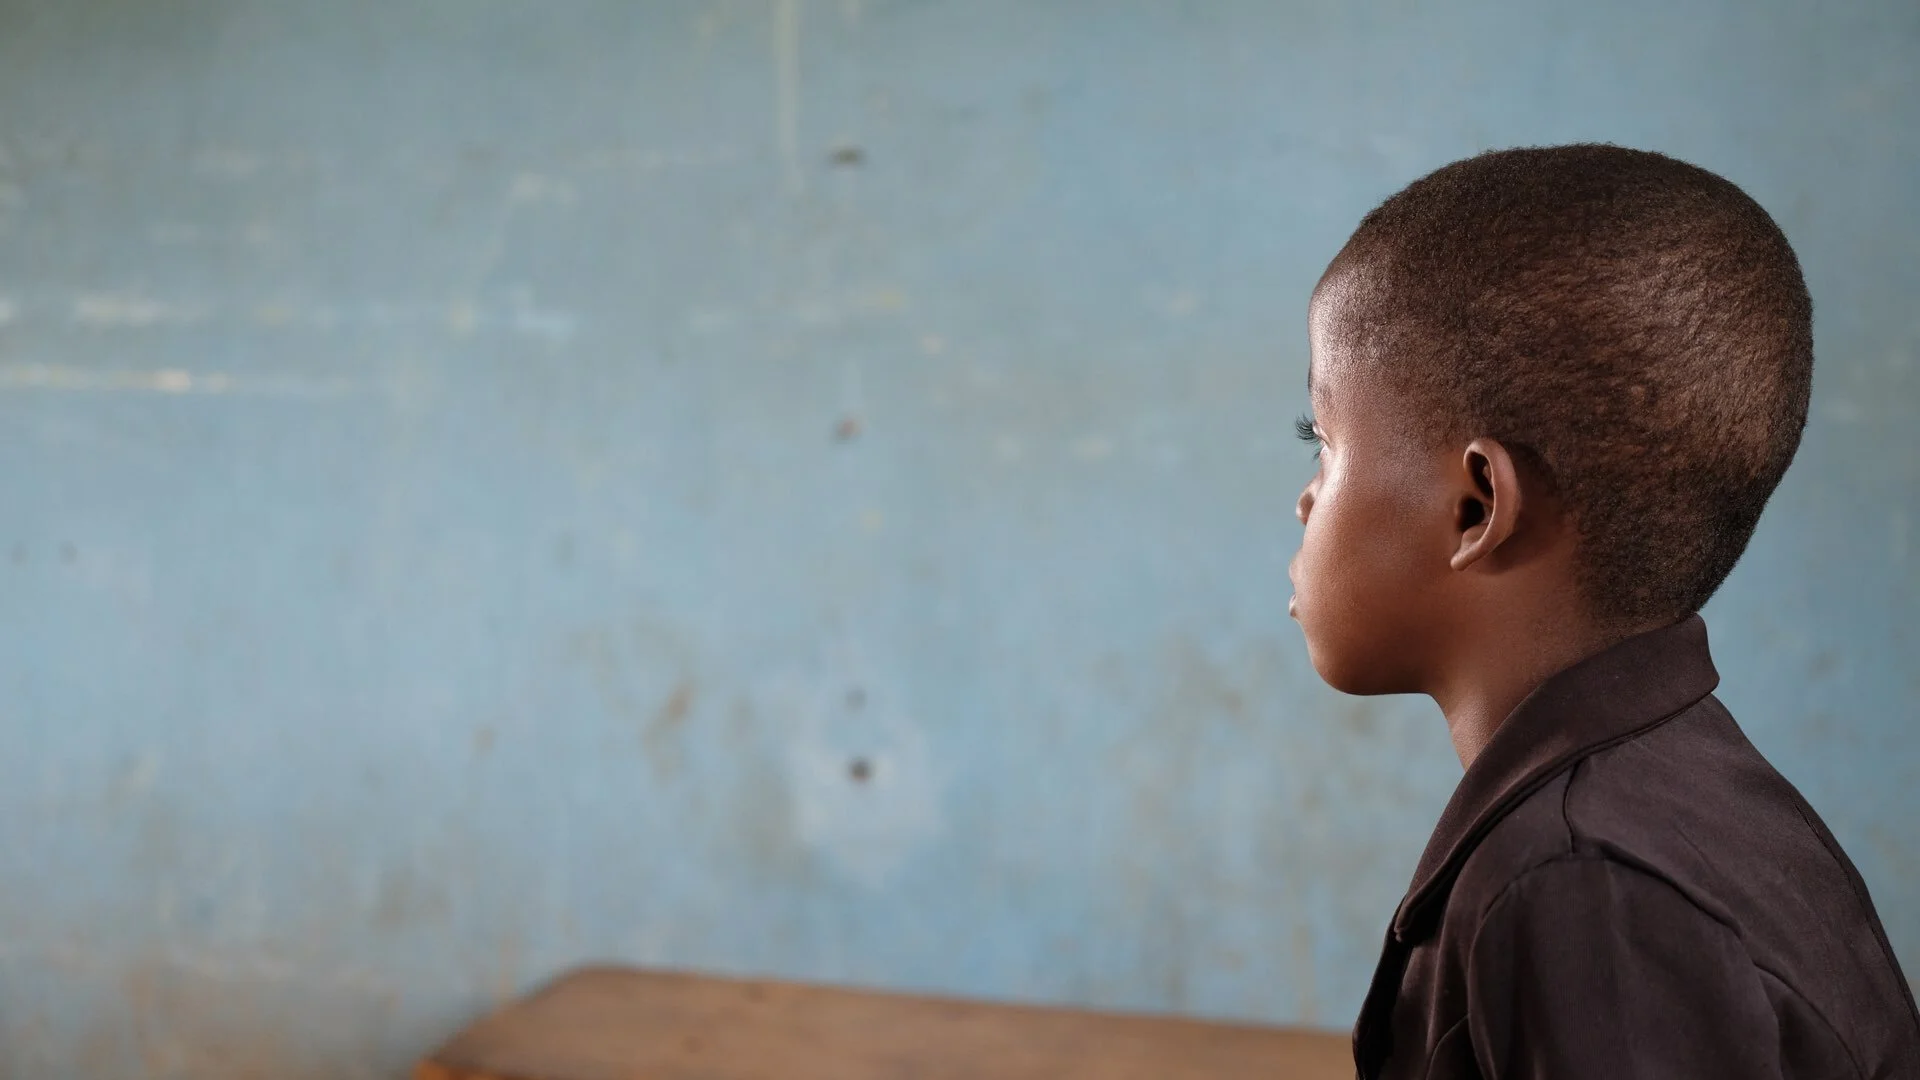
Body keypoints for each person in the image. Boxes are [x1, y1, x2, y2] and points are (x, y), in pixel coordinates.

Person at [1288, 144, 1920, 1079]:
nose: (1306, 501)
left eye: (1322, 443)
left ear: (1474, 507)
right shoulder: (1678, 795)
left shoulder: (1586, 887)